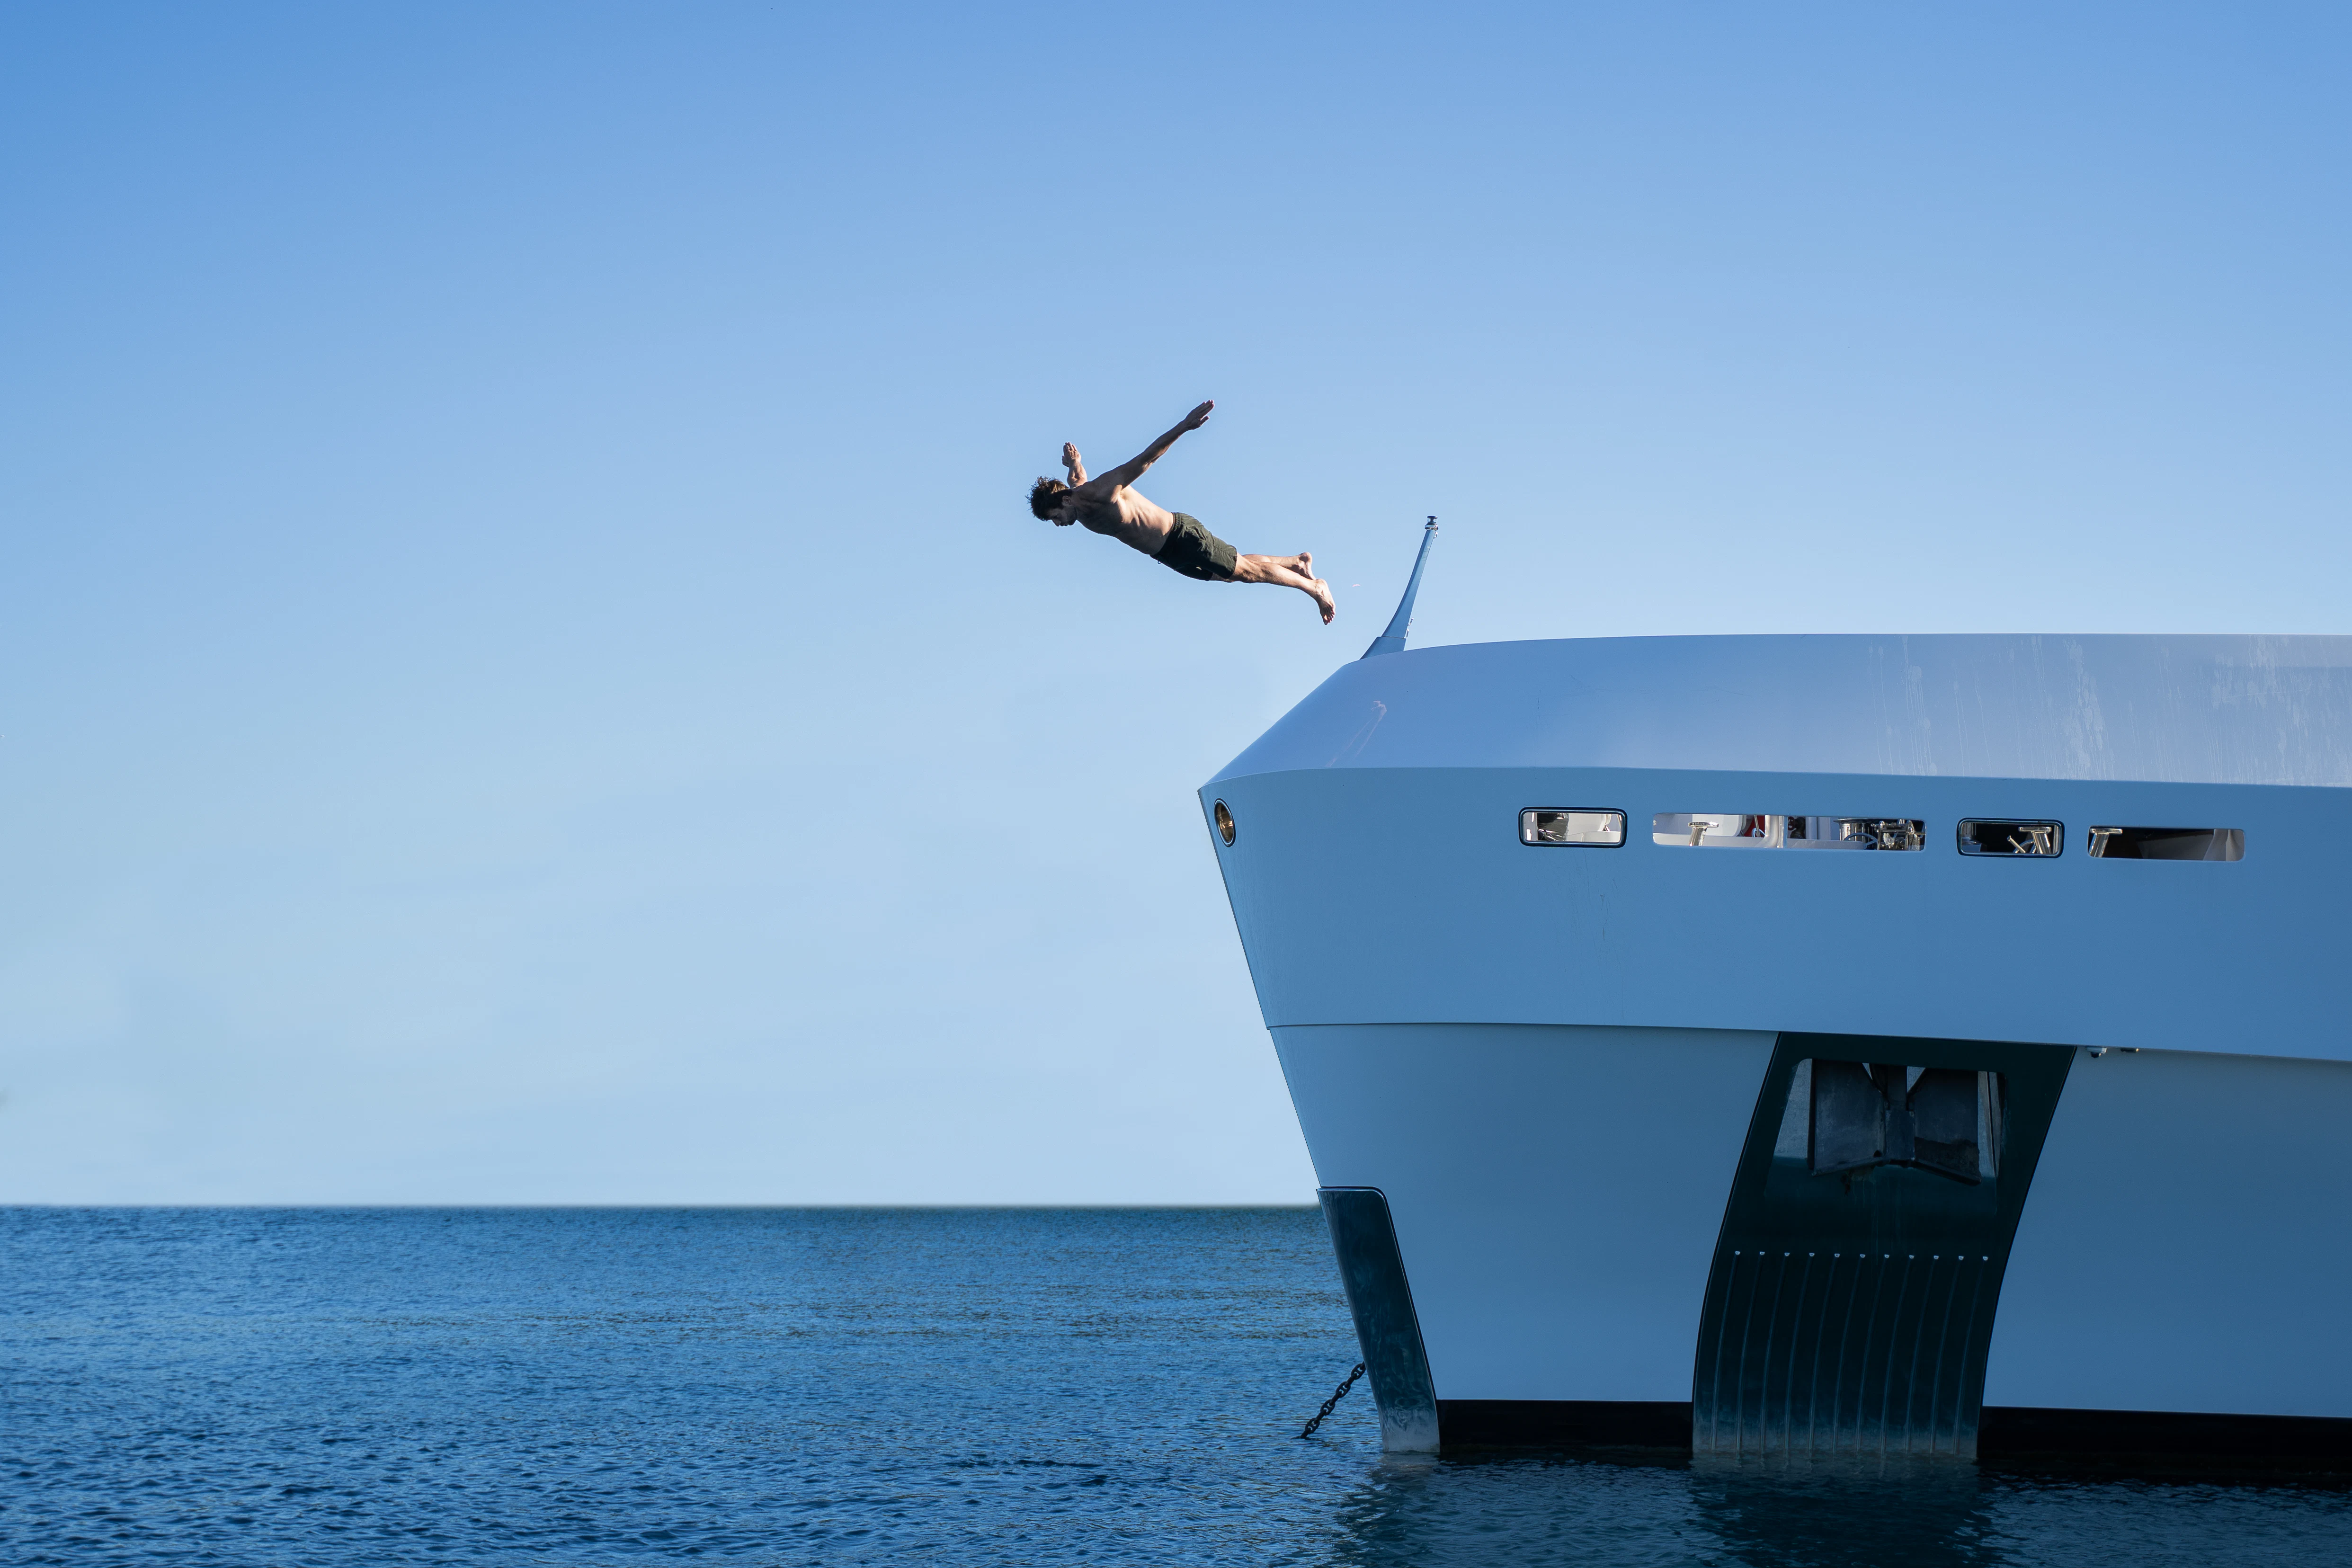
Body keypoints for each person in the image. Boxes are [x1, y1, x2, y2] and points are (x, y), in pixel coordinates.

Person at [1028, 401, 1335, 623]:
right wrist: (1075, 462)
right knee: (1235, 572)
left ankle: (1314, 588)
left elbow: (1145, 459)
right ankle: (1297, 562)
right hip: (1167, 554)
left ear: (1065, 502)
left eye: (1055, 518)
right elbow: (1076, 477)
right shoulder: (1077, 500)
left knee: (1248, 573)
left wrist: (1184, 427)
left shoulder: (1099, 492)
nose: (1059, 525)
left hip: (1182, 536)